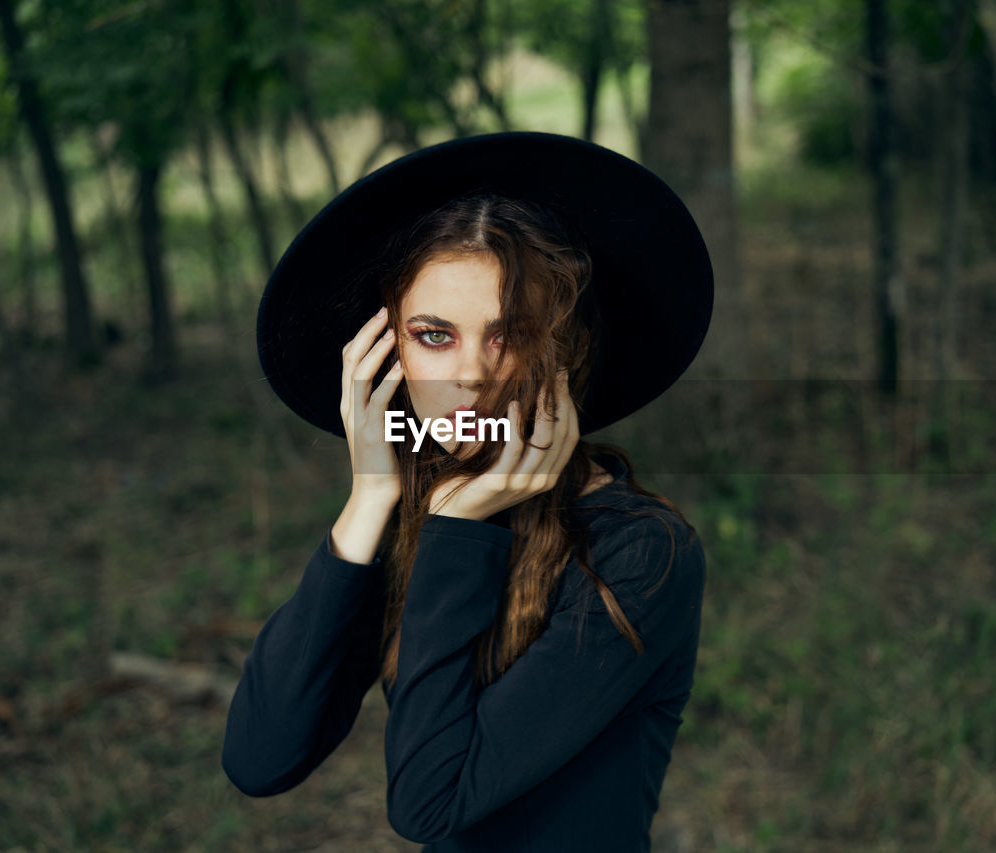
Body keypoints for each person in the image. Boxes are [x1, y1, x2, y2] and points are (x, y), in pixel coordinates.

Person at [222, 132, 714, 852]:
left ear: (564, 349)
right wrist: (366, 502)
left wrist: (458, 529)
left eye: (509, 333)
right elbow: (260, 758)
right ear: (384, 354)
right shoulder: (407, 514)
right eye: (433, 335)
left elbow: (429, 801)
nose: (473, 376)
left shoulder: (640, 550)